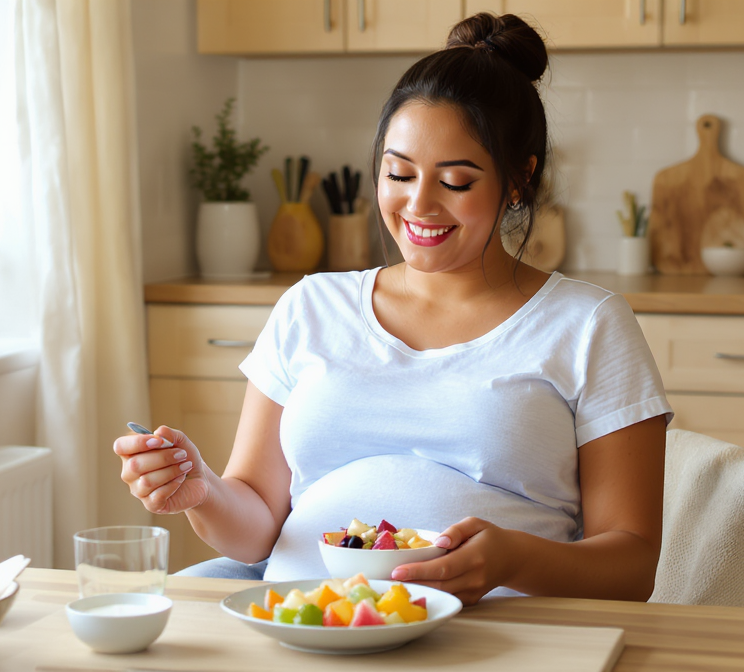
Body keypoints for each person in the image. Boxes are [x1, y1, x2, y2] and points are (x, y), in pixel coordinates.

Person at [113, 13, 671, 605]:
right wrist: (201, 490)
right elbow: (253, 531)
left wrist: (514, 559)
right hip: (307, 623)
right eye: (398, 173)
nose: (418, 204)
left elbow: (632, 566)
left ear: (518, 179)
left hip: (498, 632)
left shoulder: (588, 324)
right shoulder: (310, 307)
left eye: (455, 182)